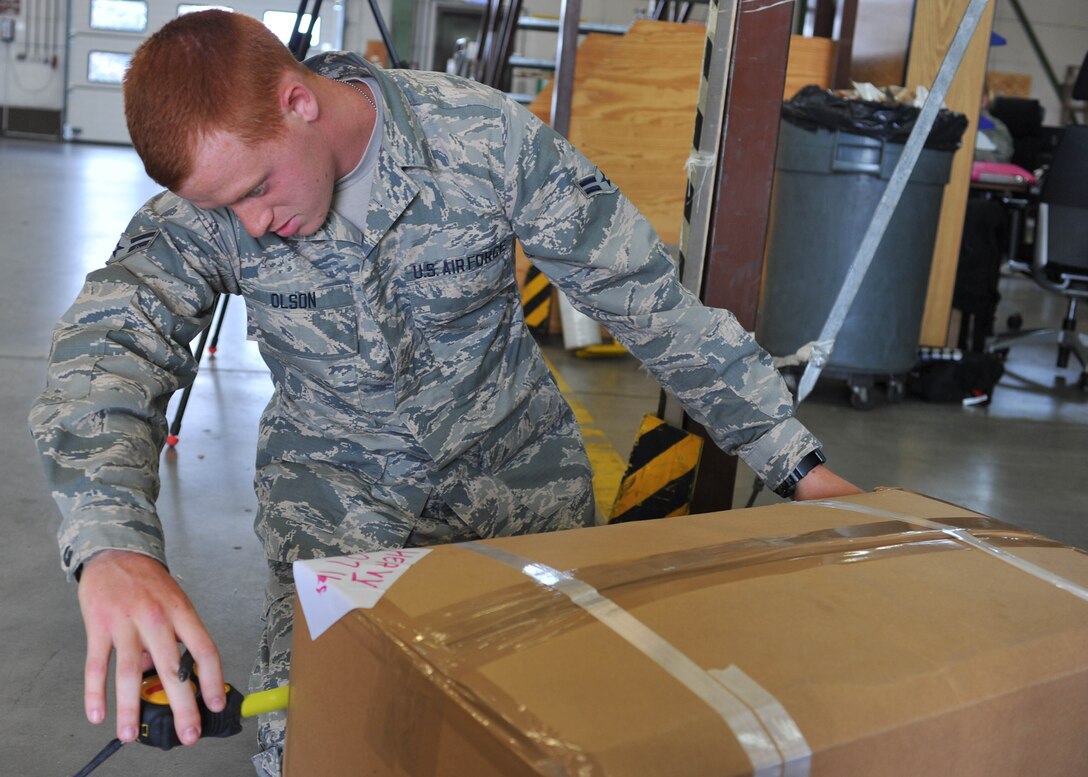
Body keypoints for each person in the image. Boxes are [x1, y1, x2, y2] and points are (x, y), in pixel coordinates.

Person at [29, 10, 860, 776]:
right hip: (339, 522)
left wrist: (801, 469)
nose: (249, 224)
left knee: (558, 745)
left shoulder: (482, 137)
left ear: (297, 102)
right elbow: (106, 354)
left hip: (519, 508)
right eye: (224, 205)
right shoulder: (211, 206)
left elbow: (649, 305)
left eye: (254, 190)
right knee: (311, 751)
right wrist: (113, 545)